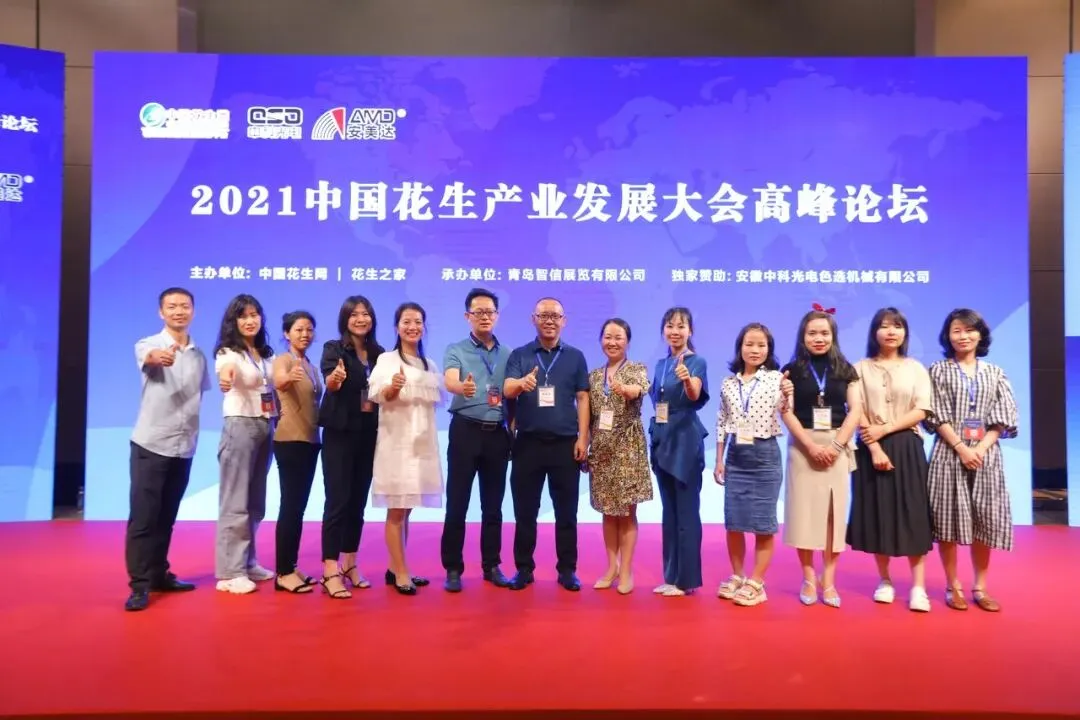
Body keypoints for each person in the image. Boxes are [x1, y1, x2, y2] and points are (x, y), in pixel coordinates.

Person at [924, 308, 1019, 612]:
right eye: (957, 330)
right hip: (948, 454)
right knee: (947, 520)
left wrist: (980, 448)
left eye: (969, 330)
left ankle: (980, 586)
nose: (963, 336)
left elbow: (1004, 415)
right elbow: (934, 413)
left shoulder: (995, 373)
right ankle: (953, 586)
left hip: (986, 456)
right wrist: (961, 447)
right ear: (947, 336)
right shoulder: (938, 370)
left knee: (984, 520)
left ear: (981, 334)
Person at [124, 287, 210, 612]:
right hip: (151, 444)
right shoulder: (149, 344)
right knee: (144, 519)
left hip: (183, 446)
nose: (179, 311)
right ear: (161, 312)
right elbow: (150, 358)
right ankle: (139, 586)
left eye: (184, 306)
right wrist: (159, 357)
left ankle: (159, 575)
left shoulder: (199, 355)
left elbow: (199, 396)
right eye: (172, 307)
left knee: (166, 517)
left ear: (193, 311)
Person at [848, 307, 935, 612]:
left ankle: (918, 587)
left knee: (914, 513)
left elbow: (922, 409)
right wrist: (874, 446)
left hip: (907, 444)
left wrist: (885, 429)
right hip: (869, 446)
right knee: (878, 512)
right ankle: (884, 580)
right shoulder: (859, 368)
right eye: (884, 326)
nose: (891, 332)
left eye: (897, 326)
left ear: (904, 332)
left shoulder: (916, 368)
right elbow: (855, 410)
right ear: (874, 332)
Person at [503, 297, 590, 591]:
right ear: (533, 319)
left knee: (566, 512)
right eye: (543, 315)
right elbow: (507, 388)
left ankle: (567, 570)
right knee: (525, 511)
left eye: (555, 316)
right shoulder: (520, 355)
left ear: (564, 321)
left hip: (565, 445)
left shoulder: (575, 357)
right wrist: (521, 384)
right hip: (528, 444)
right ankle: (523, 569)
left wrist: (583, 438)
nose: (549, 320)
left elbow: (583, 398)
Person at [779, 306, 861, 608]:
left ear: (833, 336)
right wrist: (811, 447)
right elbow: (786, 412)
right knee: (803, 515)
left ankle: (829, 580)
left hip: (837, 445)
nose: (818, 338)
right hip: (803, 447)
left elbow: (856, 411)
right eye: (812, 333)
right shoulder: (791, 370)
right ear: (803, 336)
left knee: (832, 517)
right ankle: (808, 577)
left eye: (824, 333)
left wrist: (837, 446)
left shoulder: (846, 369)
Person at [368, 302, 445, 595]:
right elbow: (378, 395)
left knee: (407, 509)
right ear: (397, 327)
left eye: (418, 321)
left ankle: (396, 567)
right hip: (396, 446)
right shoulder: (387, 360)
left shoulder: (429, 365)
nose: (413, 327)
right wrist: (393, 387)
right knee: (396, 511)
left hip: (421, 447)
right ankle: (401, 573)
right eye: (406, 322)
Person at [440, 288, 513, 592]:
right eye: (478, 312)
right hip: (465, 431)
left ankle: (491, 565)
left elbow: (512, 394)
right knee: (457, 503)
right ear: (467, 316)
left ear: (497, 315)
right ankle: (453, 568)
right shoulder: (456, 349)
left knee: (493, 506)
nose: (485, 317)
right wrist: (462, 388)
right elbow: (450, 379)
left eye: (489, 312)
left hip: (496, 433)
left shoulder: (508, 354)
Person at [713, 322, 785, 607]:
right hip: (736, 455)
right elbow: (721, 421)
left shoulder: (778, 379)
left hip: (765, 455)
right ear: (740, 348)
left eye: (761, 345)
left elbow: (787, 409)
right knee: (734, 522)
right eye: (749, 344)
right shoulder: (728, 384)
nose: (755, 350)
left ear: (769, 350)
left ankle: (757, 582)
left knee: (763, 523)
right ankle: (738, 575)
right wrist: (719, 459)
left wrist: (790, 394)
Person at [317, 296, 383, 599]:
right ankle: (330, 569)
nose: (360, 319)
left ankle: (350, 563)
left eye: (365, 313)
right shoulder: (334, 349)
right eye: (354, 314)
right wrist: (335, 379)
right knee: (337, 502)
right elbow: (331, 383)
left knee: (357, 503)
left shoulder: (379, 353)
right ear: (345, 319)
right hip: (339, 434)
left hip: (368, 435)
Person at [213, 294, 276, 595]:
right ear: (233, 321)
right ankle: (229, 572)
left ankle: (247, 562)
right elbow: (226, 371)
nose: (250, 320)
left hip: (265, 426)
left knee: (255, 502)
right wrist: (226, 379)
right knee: (235, 501)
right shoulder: (229, 352)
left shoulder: (264, 354)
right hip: (239, 426)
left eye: (254, 314)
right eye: (243, 316)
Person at [585, 318, 652, 595]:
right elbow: (589, 416)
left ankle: (626, 570)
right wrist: (585, 445)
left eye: (618, 337)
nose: (612, 342)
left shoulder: (637, 369)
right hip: (601, 450)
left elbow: (639, 389)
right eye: (608, 337)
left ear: (627, 341)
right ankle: (610, 566)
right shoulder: (593, 376)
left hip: (627, 449)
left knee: (626, 512)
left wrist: (625, 390)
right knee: (607, 511)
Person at [649, 307, 710, 597]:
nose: (675, 331)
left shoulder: (696, 361)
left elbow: (695, 393)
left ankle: (686, 580)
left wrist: (687, 380)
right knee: (669, 512)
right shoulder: (661, 364)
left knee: (686, 512)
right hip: (663, 439)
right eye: (670, 326)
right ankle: (671, 576)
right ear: (663, 330)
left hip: (685, 441)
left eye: (681, 326)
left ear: (690, 331)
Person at [270, 311, 322, 594]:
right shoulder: (284, 360)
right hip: (290, 439)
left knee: (298, 507)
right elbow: (279, 381)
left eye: (309, 329)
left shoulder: (311, 366)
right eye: (299, 329)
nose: (305, 334)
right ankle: (283, 572)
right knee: (290, 506)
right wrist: (288, 377)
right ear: (287, 333)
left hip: (311, 441)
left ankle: (291, 564)